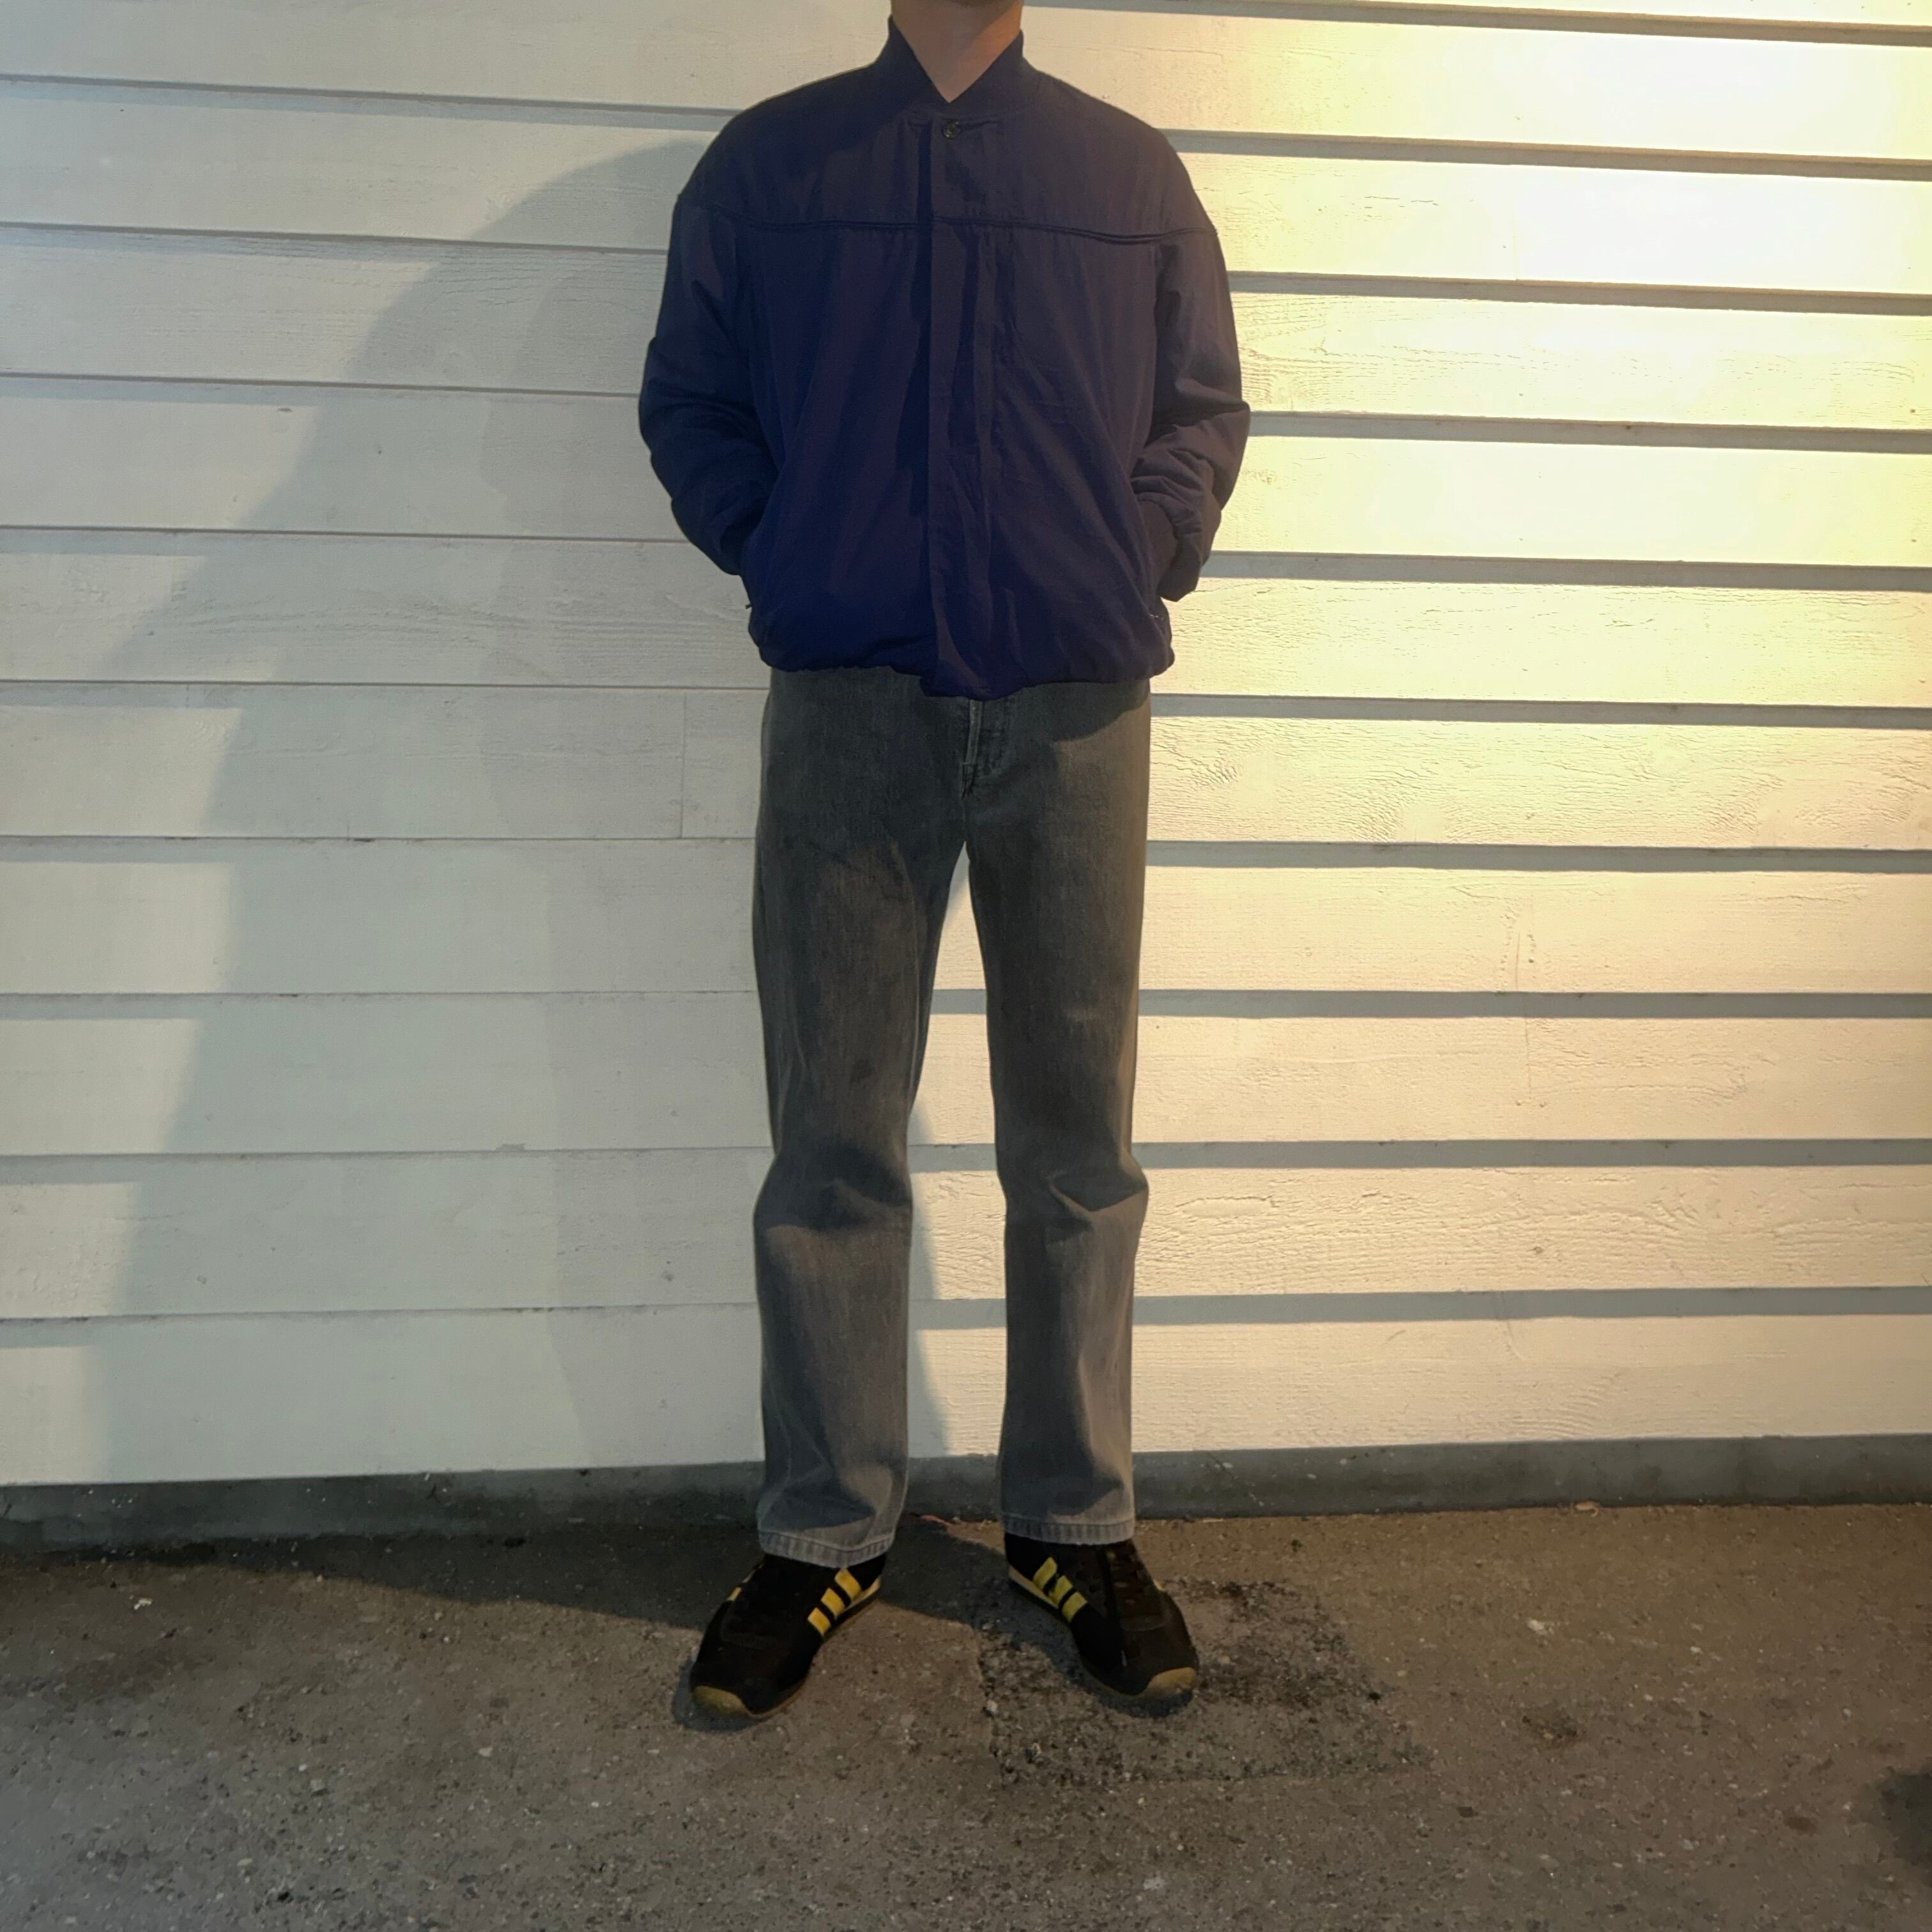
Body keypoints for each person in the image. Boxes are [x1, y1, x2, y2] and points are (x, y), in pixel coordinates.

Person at [638, 0, 1250, 1721]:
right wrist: (793, 552)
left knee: (1077, 1142)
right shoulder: (770, 168)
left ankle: (1075, 1524)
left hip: (1076, 712)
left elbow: (1202, 410)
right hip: (849, 710)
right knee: (833, 1135)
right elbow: (692, 403)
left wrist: (1130, 550)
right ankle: (825, 1529)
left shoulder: (1128, 176)